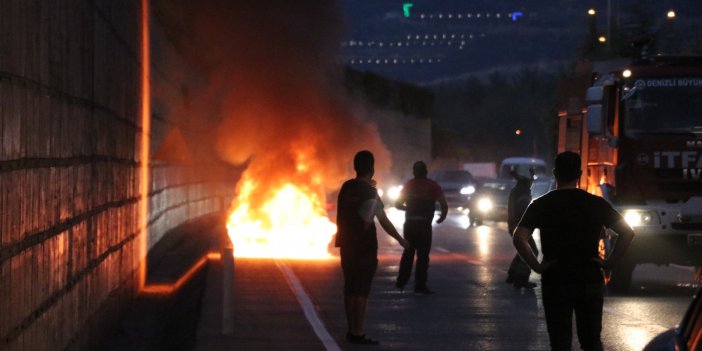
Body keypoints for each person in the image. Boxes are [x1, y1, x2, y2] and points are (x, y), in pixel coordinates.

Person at [513, 151, 635, 351]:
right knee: (591, 341)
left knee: (560, 342)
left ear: (555, 173)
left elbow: (519, 237)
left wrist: (537, 266)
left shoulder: (542, 204)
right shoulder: (596, 203)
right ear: (579, 174)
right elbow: (627, 232)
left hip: (556, 279)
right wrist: (609, 263)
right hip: (589, 278)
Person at [336, 150, 409, 345]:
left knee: (349, 287)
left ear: (355, 167)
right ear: (372, 169)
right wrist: (400, 239)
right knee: (361, 290)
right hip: (363, 246)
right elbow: (381, 219)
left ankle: (351, 330)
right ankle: (358, 333)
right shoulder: (370, 192)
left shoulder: (346, 187)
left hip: (346, 244)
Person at [394, 161, 448, 294]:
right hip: (424, 224)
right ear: (426, 171)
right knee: (423, 256)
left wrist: (410, 208)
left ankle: (401, 281)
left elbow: (397, 204)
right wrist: (442, 217)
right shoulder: (433, 186)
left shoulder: (409, 185)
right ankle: (420, 285)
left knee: (408, 253)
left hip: (410, 224)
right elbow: (443, 203)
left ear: (414, 172)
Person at [505, 169, 538, 289]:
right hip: (520, 226)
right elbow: (524, 211)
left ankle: (513, 274)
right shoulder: (522, 192)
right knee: (531, 251)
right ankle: (521, 279)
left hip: (515, 225)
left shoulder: (517, 190)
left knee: (523, 250)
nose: (531, 184)